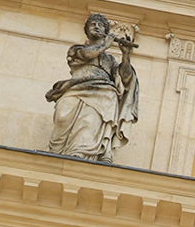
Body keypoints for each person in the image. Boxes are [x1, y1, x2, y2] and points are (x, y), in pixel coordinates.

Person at [46, 13, 138, 162]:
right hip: (75, 88)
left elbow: (125, 78)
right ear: (87, 30)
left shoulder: (109, 60)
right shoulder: (76, 49)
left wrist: (126, 56)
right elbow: (85, 55)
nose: (96, 26)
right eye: (93, 24)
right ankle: (58, 153)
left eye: (100, 25)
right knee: (63, 115)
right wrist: (105, 45)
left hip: (103, 93)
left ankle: (81, 152)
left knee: (89, 122)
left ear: (106, 32)